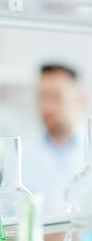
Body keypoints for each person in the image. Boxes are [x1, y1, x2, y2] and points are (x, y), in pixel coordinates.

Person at [22, 63, 88, 216]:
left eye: (56, 97)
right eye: (42, 97)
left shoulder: (86, 149)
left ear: (81, 99)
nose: (47, 106)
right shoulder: (20, 154)